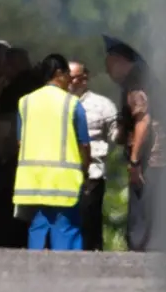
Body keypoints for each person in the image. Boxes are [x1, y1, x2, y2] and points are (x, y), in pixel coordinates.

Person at [13, 53, 91, 251]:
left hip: (33, 182)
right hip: (63, 182)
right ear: (59, 74)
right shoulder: (72, 103)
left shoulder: (25, 102)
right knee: (66, 230)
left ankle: (35, 274)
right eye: (68, 76)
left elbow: (20, 141)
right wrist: (85, 170)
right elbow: (84, 144)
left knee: (38, 227)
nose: (70, 81)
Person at [103, 35, 165, 252]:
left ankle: (142, 251)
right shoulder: (139, 81)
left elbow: (143, 122)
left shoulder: (135, 84)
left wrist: (135, 160)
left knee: (141, 211)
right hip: (160, 157)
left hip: (151, 158)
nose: (107, 68)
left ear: (121, 60)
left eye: (110, 61)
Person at [0, 47, 38, 247]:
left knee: (5, 215)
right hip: (39, 161)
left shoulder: (14, 90)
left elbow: (5, 130)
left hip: (14, 161)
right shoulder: (40, 86)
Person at [68, 59, 119, 251]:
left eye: (73, 78)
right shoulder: (59, 103)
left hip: (92, 173)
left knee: (89, 223)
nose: (69, 82)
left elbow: (115, 135)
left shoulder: (103, 105)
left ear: (84, 79)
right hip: (65, 173)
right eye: (66, 77)